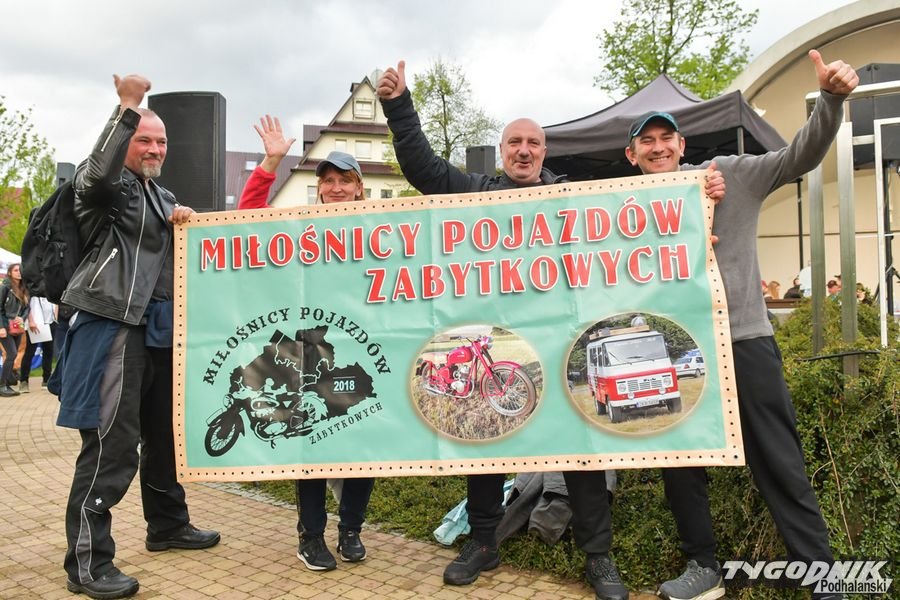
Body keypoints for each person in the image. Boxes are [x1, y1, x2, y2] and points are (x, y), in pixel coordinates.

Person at [377, 60, 725, 600]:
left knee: (579, 449)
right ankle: (484, 542)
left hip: (560, 340)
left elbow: (638, 217)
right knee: (486, 442)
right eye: (514, 143)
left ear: (544, 152)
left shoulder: (575, 197)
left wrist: (694, 204)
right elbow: (422, 167)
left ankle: (598, 557)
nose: (524, 151)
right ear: (502, 152)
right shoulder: (473, 190)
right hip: (499, 341)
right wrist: (400, 107)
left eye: (533, 143)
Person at [623, 49, 857, 600]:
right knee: (680, 462)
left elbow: (799, 156)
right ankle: (703, 568)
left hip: (743, 338)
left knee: (779, 459)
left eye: (666, 138)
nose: (658, 147)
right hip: (671, 348)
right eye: (646, 141)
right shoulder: (623, 207)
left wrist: (830, 100)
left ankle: (823, 578)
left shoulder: (727, 173)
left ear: (682, 145)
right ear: (631, 155)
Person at [57, 74, 220, 600]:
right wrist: (127, 106)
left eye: (161, 141)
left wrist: (183, 221)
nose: (154, 149)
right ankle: (87, 564)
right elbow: (96, 177)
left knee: (164, 435)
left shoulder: (160, 194)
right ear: (125, 139)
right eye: (143, 139)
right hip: (111, 325)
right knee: (112, 444)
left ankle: (168, 525)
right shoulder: (104, 186)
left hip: (155, 331)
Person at [238, 115, 376, 571]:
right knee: (312, 442)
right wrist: (270, 163)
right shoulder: (301, 225)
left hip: (362, 350)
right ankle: (311, 537)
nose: (336, 188)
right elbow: (246, 221)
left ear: (359, 188)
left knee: (363, 445)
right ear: (319, 188)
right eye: (328, 181)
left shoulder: (381, 225)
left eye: (345, 181)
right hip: (311, 351)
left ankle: (351, 529)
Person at [0, 263, 29, 396]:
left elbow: (27, 308)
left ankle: (7, 383)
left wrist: (22, 318)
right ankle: (2, 386)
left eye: (20, 270)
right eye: (16, 270)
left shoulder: (24, 288)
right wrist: (1, 327)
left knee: (14, 354)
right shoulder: (5, 287)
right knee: (11, 354)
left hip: (17, 327)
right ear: (10, 273)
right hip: (5, 325)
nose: (19, 272)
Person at [19, 295, 56, 391]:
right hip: (35, 322)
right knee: (29, 352)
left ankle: (46, 379)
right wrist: (31, 321)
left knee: (48, 351)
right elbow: (27, 304)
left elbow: (55, 301)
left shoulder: (50, 287)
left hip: (50, 321)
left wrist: (55, 317)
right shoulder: (31, 288)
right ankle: (24, 381)